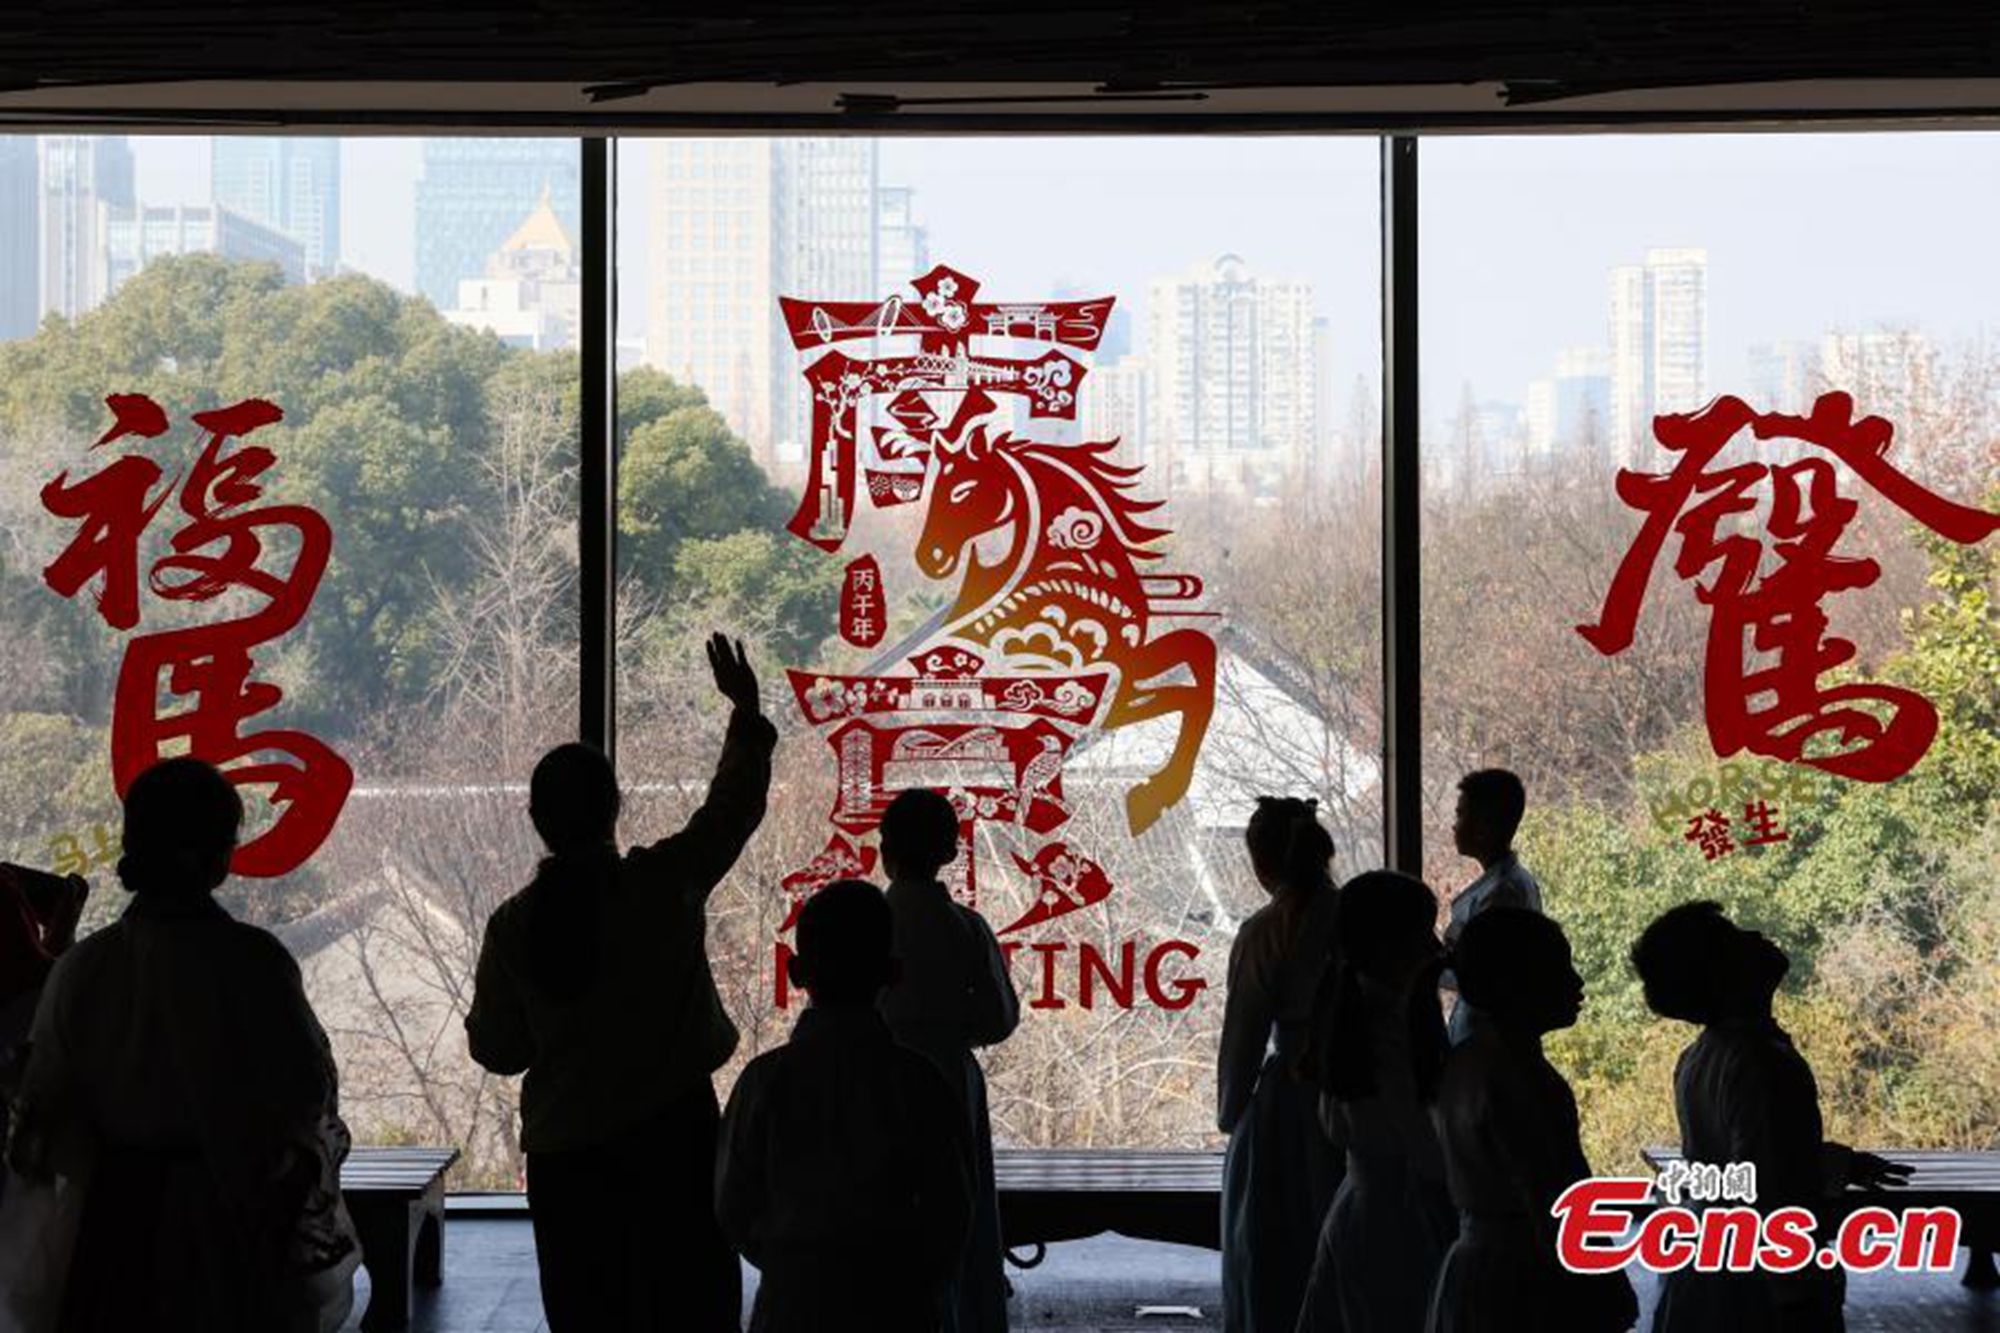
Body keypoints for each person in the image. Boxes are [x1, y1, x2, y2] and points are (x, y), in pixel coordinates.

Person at [466, 633, 776, 1333]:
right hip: (677, 1138)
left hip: (568, 1153)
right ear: (616, 806)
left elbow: (498, 1048)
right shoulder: (661, 887)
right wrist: (745, 715)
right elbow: (731, 810)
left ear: (539, 822)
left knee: (589, 1311)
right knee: (691, 1303)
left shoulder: (514, 925)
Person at [7, 757, 360, 1333]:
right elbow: (302, 1099)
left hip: (113, 1228)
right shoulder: (254, 962)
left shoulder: (85, 968)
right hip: (232, 1222)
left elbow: (44, 1117)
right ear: (221, 855)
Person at [1632, 901, 1909, 1333]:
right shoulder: (1762, 1062)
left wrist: (1834, 1162)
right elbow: (1769, 1191)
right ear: (1722, 975)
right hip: (1760, 1292)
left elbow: (1745, 1162)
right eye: (1734, 937)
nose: (1756, 936)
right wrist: (1799, 1295)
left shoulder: (1700, 1056)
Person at [717, 879, 973, 1332]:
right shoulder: (919, 1082)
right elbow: (951, 1213)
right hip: (896, 1302)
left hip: (792, 1303)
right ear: (893, 973)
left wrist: (788, 1262)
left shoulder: (763, 1082)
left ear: (796, 973)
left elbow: (733, 1206)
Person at [1426, 908, 1635, 1333]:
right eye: (1560, 968)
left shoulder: (1463, 1062)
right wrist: (1602, 1286)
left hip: (1475, 1271)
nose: (1577, 982)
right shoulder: (1522, 1078)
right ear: (1518, 983)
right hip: (1525, 1281)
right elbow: (1553, 1200)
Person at [877, 787, 1020, 1333]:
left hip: (877, 1071)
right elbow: (999, 1018)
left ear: (883, 847)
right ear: (951, 851)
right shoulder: (966, 927)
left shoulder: (872, 919)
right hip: (950, 1074)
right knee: (959, 1208)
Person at [1296, 870, 1455, 1333]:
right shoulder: (1383, 1030)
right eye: (1419, 931)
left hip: (1363, 1206)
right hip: (1396, 1223)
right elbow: (1426, 1148)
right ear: (1387, 944)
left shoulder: (1349, 1013)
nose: (1434, 945)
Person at [1216, 796, 1344, 1332]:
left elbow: (1244, 1033)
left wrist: (1232, 1111)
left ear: (1262, 863)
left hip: (1289, 1098)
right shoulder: (1356, 916)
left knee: (1273, 1250)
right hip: (1362, 1087)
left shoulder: (1266, 930)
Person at [1439, 770, 1543, 1045]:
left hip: (1489, 1037)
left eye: (1461, 815)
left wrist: (1429, 959)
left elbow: (1482, 977)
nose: (1454, 825)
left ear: (1484, 827)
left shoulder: (1502, 894)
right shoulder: (1511, 882)